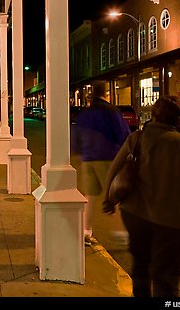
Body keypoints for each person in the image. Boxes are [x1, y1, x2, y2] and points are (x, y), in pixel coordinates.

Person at [102, 96, 180, 297]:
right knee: (166, 275)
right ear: (177, 119)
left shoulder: (137, 139)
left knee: (140, 267)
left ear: (154, 116)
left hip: (135, 216)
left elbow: (114, 170)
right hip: (171, 222)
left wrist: (109, 200)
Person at [73, 81, 131, 246]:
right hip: (108, 158)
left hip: (88, 158)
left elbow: (77, 133)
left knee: (90, 196)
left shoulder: (85, 113)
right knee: (116, 195)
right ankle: (121, 232)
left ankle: (86, 230)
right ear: (106, 93)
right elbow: (123, 133)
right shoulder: (111, 111)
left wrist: (79, 151)